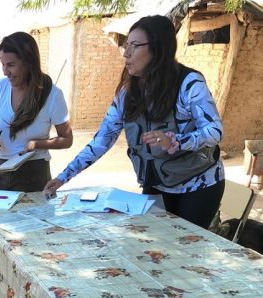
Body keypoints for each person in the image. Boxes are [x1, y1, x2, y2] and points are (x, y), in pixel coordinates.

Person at [43, 15, 225, 230]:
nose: (126, 53)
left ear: (158, 49)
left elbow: (214, 131)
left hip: (199, 186)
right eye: (126, 45)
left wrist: (176, 141)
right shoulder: (127, 93)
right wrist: (64, 177)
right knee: (153, 245)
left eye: (135, 46)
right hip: (157, 183)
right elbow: (102, 140)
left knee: (187, 249)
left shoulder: (189, 83)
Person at [0, 31, 73, 298]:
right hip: (1, 170)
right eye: (2, 64)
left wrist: (36, 143)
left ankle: (29, 292)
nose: (6, 71)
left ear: (28, 61)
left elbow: (67, 139)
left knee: (30, 236)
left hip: (33, 173)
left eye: (11, 64)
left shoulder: (51, 95)